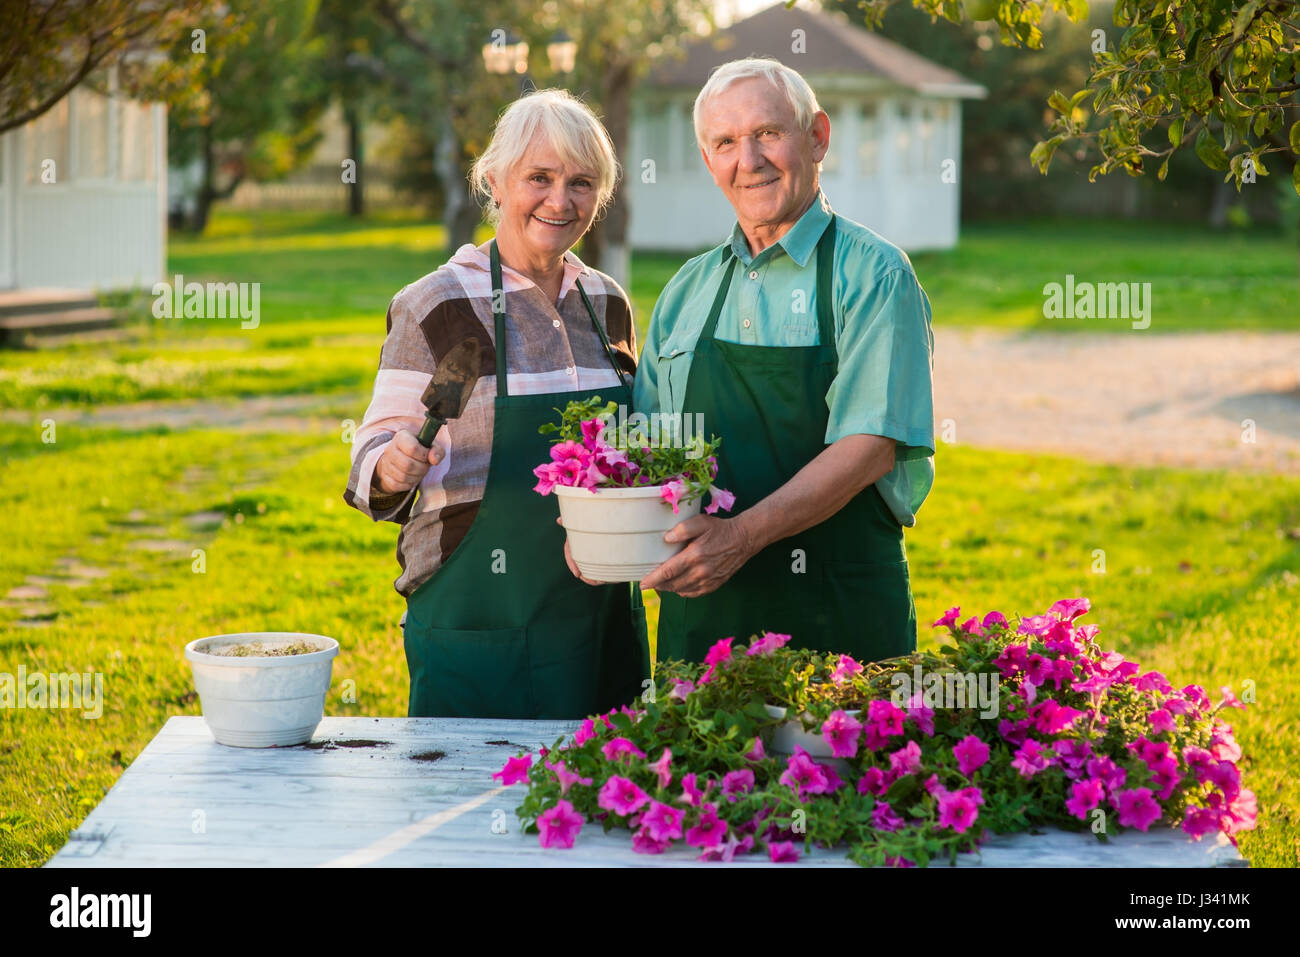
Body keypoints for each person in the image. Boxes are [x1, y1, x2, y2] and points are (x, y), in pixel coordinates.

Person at [343, 89, 649, 718]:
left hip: (599, 617)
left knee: (599, 803)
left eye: (581, 182)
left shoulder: (606, 302)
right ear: (495, 180)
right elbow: (371, 463)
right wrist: (390, 464)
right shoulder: (437, 305)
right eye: (539, 177)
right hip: (477, 619)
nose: (560, 201)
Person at [632, 58, 936, 666]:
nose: (749, 160)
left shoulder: (874, 274)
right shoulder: (686, 290)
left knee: (840, 761)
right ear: (709, 160)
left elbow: (871, 444)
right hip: (705, 618)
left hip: (839, 613)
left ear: (817, 137)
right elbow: (647, 449)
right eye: (726, 142)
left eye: (769, 133)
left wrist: (739, 537)